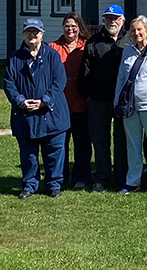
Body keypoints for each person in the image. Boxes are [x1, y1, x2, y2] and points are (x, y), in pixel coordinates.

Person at [4, 18, 70, 199]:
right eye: (28, 32)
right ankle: (29, 185)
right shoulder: (15, 59)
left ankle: (54, 185)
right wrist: (20, 101)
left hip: (52, 114)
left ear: (42, 34)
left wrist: (45, 101)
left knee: (54, 153)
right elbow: (9, 83)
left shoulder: (52, 55)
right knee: (29, 156)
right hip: (25, 116)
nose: (32, 35)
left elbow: (59, 82)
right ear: (23, 34)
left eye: (36, 32)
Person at [114, 16, 147, 194]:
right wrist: (117, 103)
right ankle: (133, 181)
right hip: (130, 106)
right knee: (133, 145)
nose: (136, 33)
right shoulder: (127, 51)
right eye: (133, 30)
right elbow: (121, 78)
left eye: (140, 29)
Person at [79, 4, 129, 191]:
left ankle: (122, 177)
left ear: (122, 20)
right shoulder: (93, 42)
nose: (112, 21)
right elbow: (85, 72)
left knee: (122, 140)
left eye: (116, 18)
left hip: (123, 101)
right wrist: (88, 96)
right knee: (100, 140)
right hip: (99, 100)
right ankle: (102, 177)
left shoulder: (129, 40)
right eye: (108, 18)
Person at [49, 12, 91, 190]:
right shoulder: (53, 47)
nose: (70, 29)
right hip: (61, 106)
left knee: (82, 145)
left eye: (74, 26)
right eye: (67, 26)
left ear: (79, 27)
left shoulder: (86, 46)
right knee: (60, 146)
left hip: (82, 105)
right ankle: (60, 178)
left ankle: (81, 177)